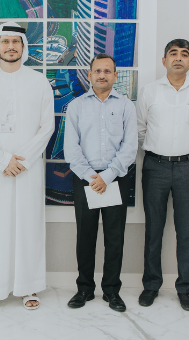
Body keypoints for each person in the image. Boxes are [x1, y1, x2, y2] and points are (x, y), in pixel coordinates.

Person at [0, 22, 54, 310]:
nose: (10, 46)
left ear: (23, 46)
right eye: (5, 41)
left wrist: (23, 160)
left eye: (16, 41)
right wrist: (3, 160)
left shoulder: (39, 82)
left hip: (28, 169)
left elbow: (47, 126)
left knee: (28, 226)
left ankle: (28, 287)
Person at [137, 39, 189, 311]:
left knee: (186, 230)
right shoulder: (149, 91)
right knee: (154, 230)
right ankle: (151, 285)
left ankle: (185, 288)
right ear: (164, 60)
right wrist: (158, 153)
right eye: (173, 53)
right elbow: (140, 129)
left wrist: (185, 155)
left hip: (188, 168)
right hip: (155, 166)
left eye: (184, 54)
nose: (178, 58)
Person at [64, 53, 137, 312]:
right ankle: (84, 288)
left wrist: (107, 176)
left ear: (115, 76)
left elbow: (130, 147)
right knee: (85, 236)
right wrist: (92, 177)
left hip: (116, 177)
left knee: (114, 237)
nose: (102, 75)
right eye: (97, 71)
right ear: (90, 74)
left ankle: (111, 290)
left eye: (107, 71)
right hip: (85, 179)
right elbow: (71, 148)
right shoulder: (76, 106)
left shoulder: (126, 106)